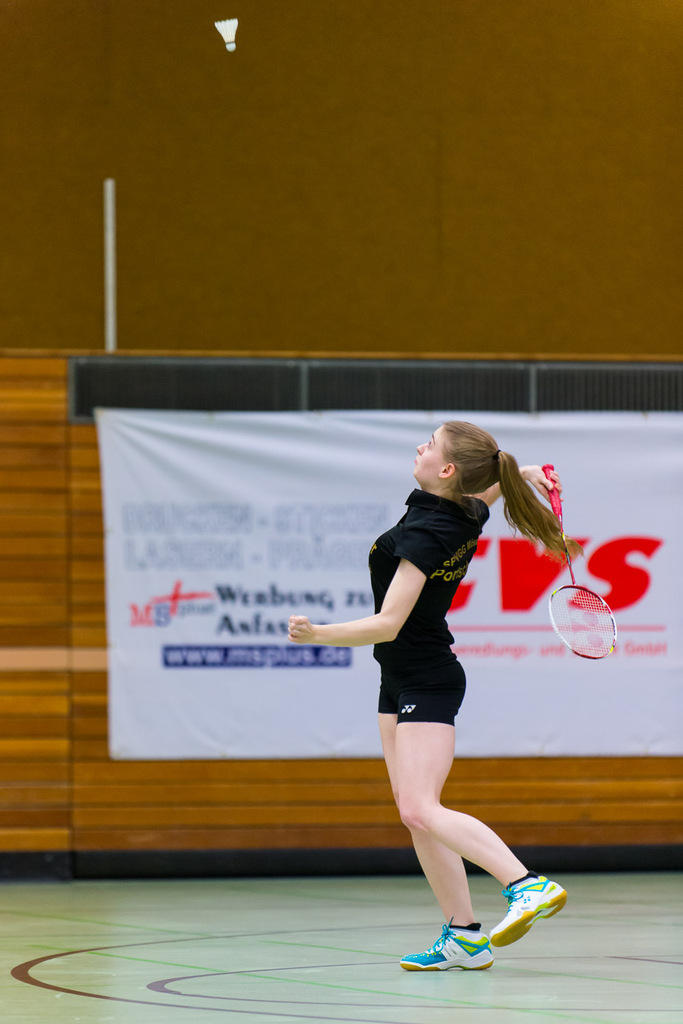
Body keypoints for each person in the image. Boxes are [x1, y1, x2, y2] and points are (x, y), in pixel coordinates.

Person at [288, 420, 575, 972]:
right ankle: (463, 936)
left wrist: (317, 634)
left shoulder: (429, 531)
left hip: (426, 677)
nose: (419, 446)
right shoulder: (459, 511)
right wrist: (519, 474)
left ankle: (526, 884)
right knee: (414, 815)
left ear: (446, 470)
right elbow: (484, 493)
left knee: (423, 807)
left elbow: (388, 622)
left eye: (431, 444)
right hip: (397, 678)